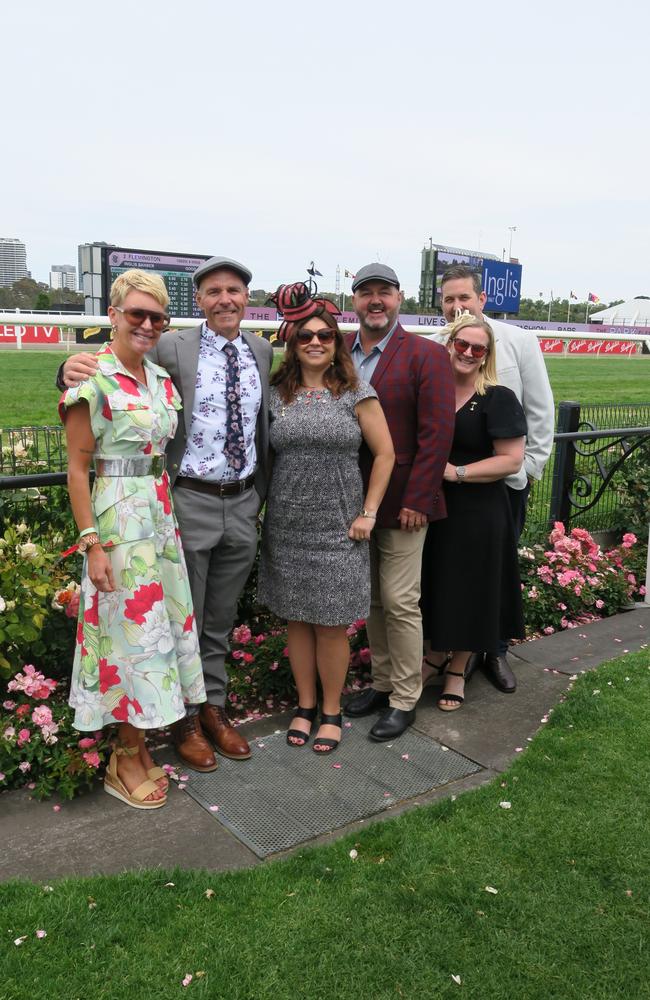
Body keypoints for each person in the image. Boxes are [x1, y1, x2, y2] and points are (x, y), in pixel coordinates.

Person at [59, 256, 273, 771]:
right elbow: (104, 375)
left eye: (235, 290)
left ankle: (213, 710)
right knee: (184, 617)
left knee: (218, 616)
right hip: (186, 500)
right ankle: (185, 723)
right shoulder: (175, 345)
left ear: (247, 298)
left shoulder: (263, 350)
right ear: (197, 302)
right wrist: (65, 369)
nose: (226, 299)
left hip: (242, 500)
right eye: (214, 291)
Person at [59, 269, 206, 809]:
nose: (146, 324)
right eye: (136, 313)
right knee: (128, 637)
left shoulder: (161, 380)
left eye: (156, 317)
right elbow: (77, 469)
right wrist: (92, 544)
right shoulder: (91, 380)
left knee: (156, 630)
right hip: (119, 525)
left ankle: (137, 747)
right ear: (114, 316)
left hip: (159, 519)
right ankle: (124, 757)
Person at [257, 283, 394, 753]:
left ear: (337, 343)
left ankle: (332, 710)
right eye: (305, 336)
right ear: (292, 344)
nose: (315, 342)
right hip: (287, 527)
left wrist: (368, 513)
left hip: (340, 528)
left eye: (326, 335)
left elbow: (385, 454)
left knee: (331, 624)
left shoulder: (357, 391)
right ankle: (305, 704)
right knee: (296, 620)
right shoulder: (277, 393)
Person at [343, 263, 455, 740]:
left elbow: (437, 434)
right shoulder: (340, 355)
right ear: (355, 301)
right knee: (371, 600)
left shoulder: (426, 355)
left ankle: (405, 698)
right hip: (352, 499)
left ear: (399, 298)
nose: (375, 301)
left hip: (405, 501)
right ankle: (383, 683)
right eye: (365, 293)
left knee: (400, 600)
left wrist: (420, 498)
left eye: (383, 292)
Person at [429, 264, 554, 692]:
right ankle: (444, 657)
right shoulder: (433, 346)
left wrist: (527, 470)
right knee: (445, 575)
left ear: (482, 300)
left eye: (464, 298)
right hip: (441, 494)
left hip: (500, 486)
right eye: (449, 300)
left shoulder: (518, 340)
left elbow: (540, 410)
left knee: (489, 574)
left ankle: (494, 652)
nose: (457, 306)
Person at [420, 313, 527, 711]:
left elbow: (511, 460)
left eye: (476, 348)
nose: (467, 352)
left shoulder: (498, 397)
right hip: (433, 509)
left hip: (480, 510)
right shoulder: (430, 392)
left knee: (471, 589)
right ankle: (432, 656)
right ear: (448, 346)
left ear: (486, 355)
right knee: (434, 583)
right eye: (460, 344)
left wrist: (457, 472)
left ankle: (456, 669)